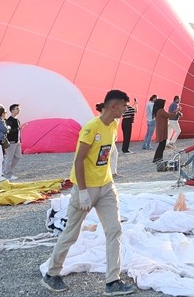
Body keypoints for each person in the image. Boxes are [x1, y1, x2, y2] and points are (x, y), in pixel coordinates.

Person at [42, 89, 135, 296]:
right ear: (113, 106)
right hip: (86, 188)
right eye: (123, 105)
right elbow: (79, 160)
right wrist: (83, 192)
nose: (125, 109)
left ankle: (113, 281)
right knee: (71, 233)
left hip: (106, 187)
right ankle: (52, 273)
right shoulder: (91, 128)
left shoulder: (114, 124)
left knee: (114, 230)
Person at [151, 97, 175, 165]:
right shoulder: (161, 111)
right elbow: (169, 116)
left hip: (160, 129)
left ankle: (157, 158)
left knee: (161, 145)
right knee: (162, 145)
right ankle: (158, 158)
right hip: (162, 130)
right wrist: (176, 111)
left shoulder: (158, 111)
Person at [2, 104, 23, 179]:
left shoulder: (17, 119)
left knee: (18, 156)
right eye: (17, 109)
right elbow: (8, 131)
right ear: (12, 110)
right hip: (11, 141)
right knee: (9, 158)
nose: (18, 110)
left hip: (17, 141)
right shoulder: (9, 120)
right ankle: (8, 174)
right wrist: (18, 128)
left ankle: (5, 170)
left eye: (19, 109)